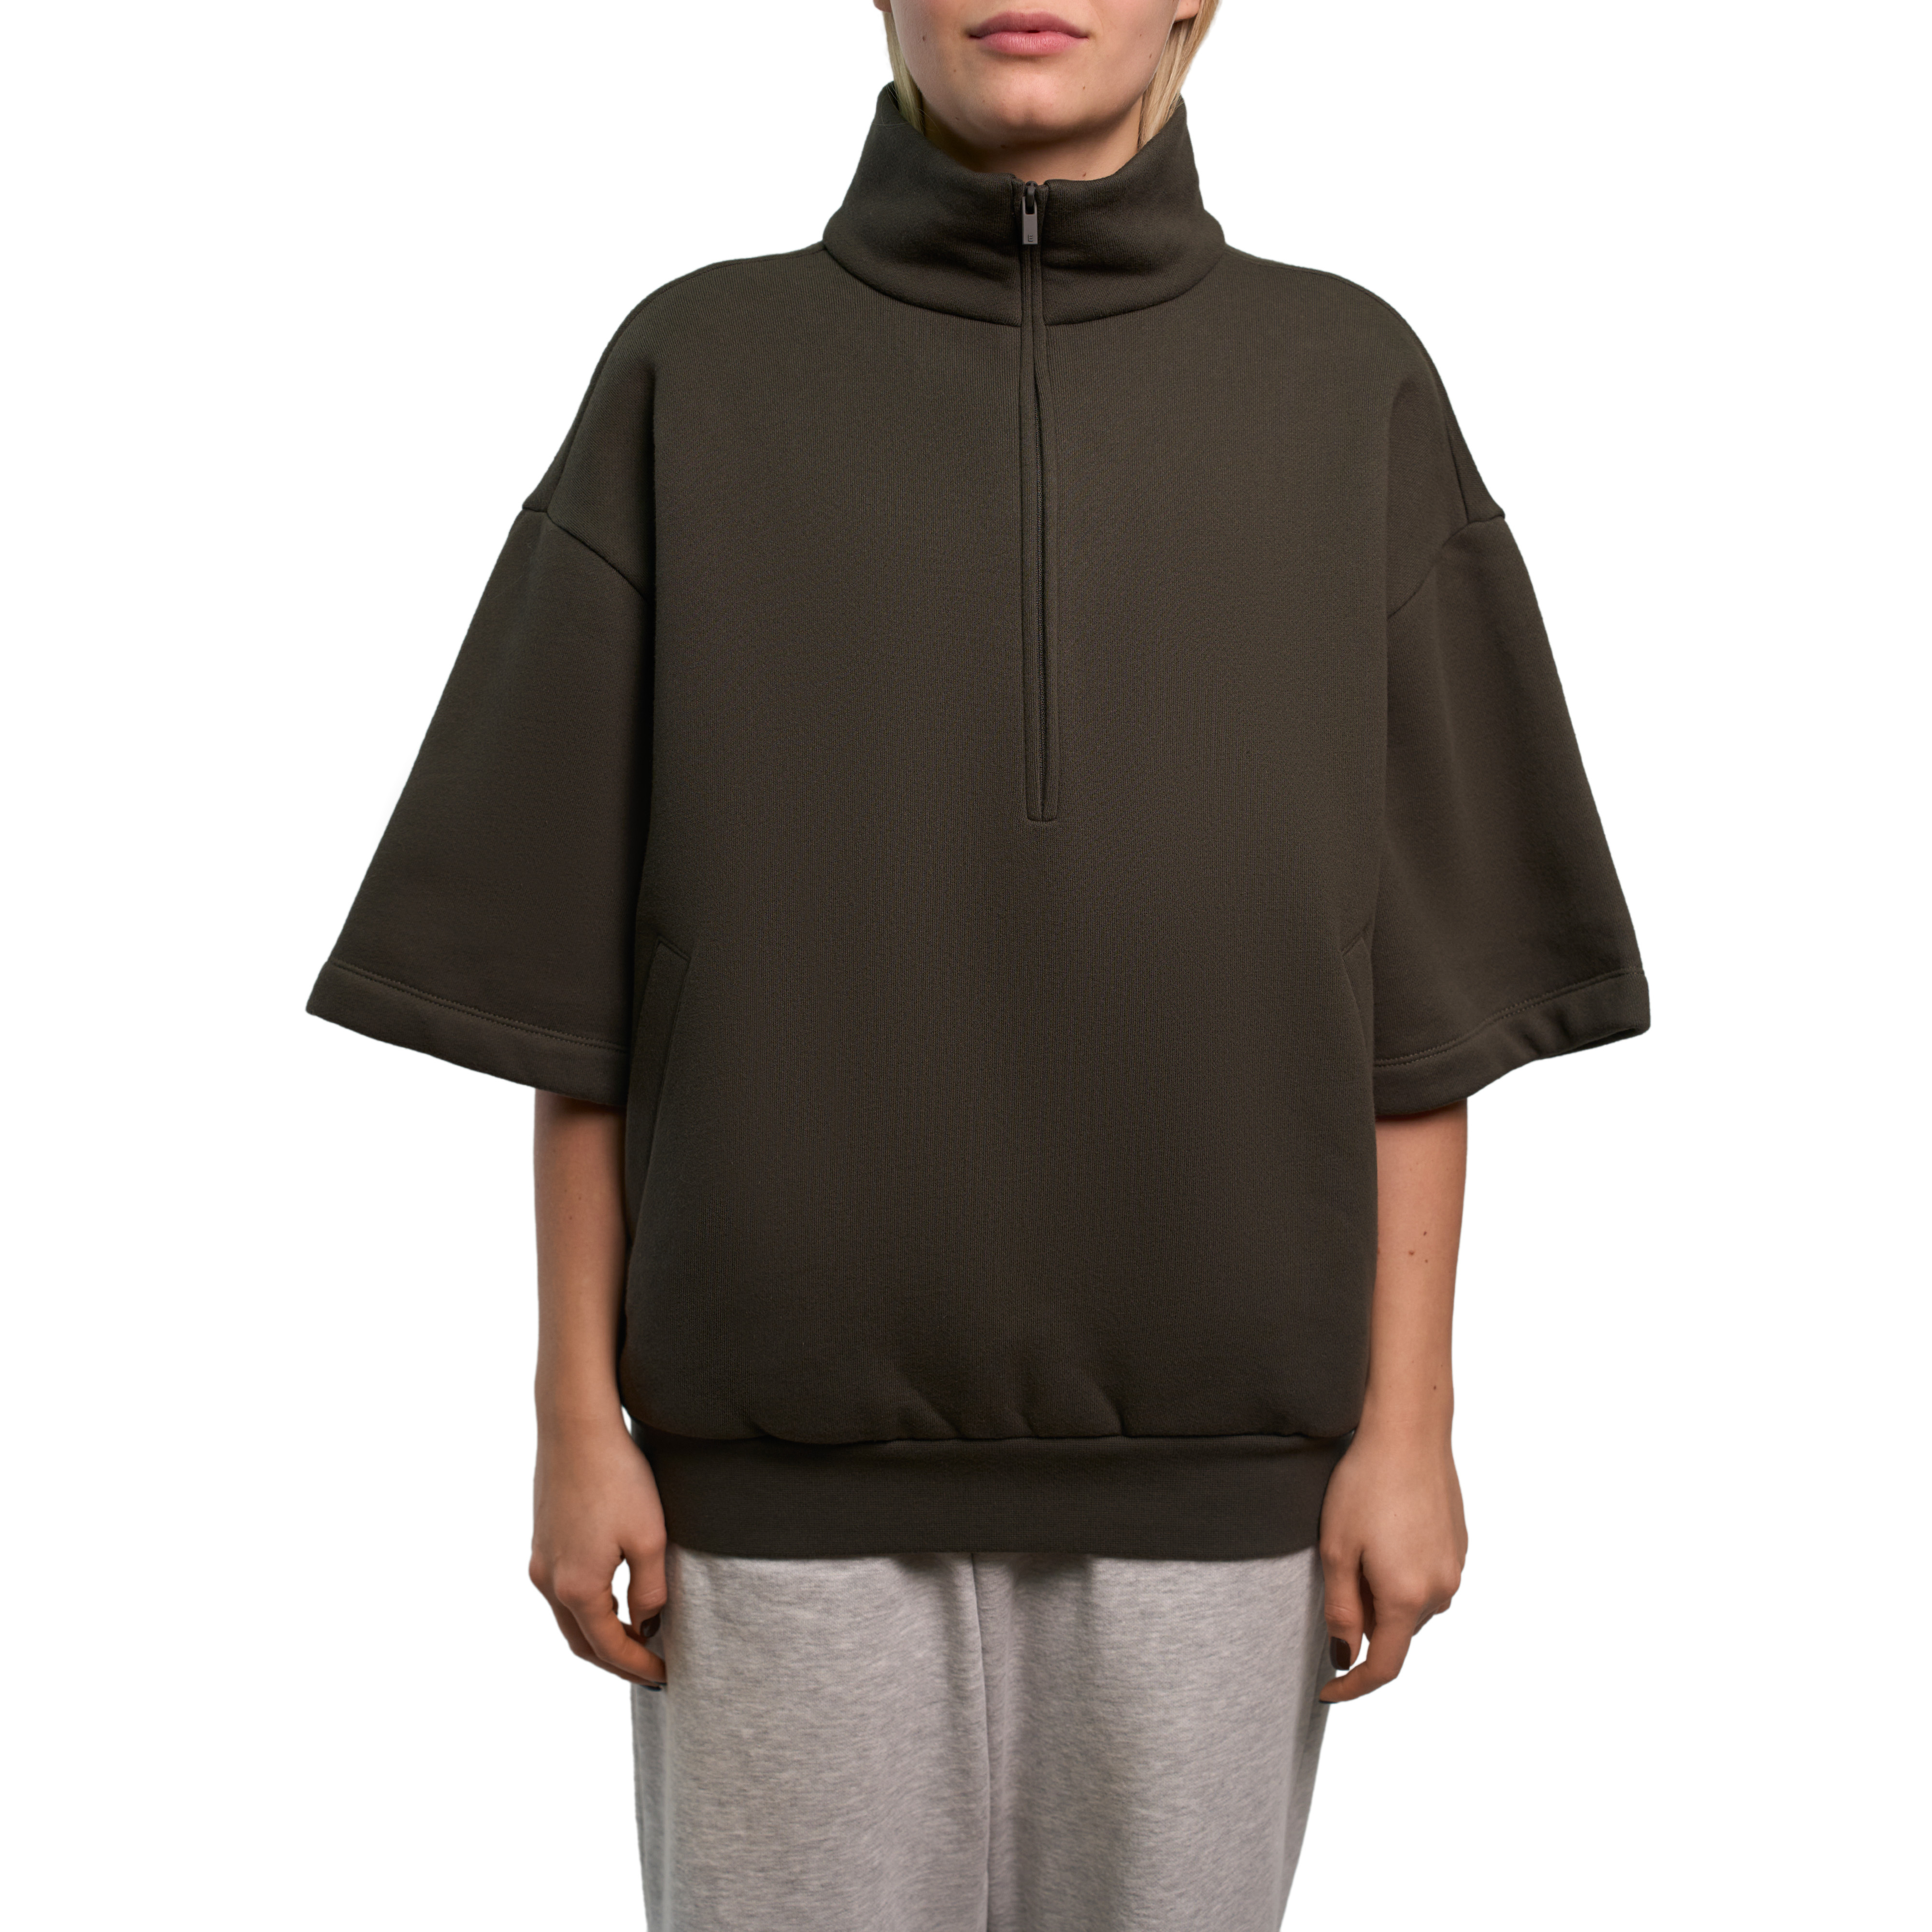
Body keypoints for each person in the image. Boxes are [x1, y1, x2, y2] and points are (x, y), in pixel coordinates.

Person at [307, 3, 1648, 1926]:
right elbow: (574, 989)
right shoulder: (697, 370)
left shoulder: (1346, 382)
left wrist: (1410, 1427)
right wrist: (570, 1423)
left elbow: (1427, 1003)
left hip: (1226, 1500)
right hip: (765, 1496)